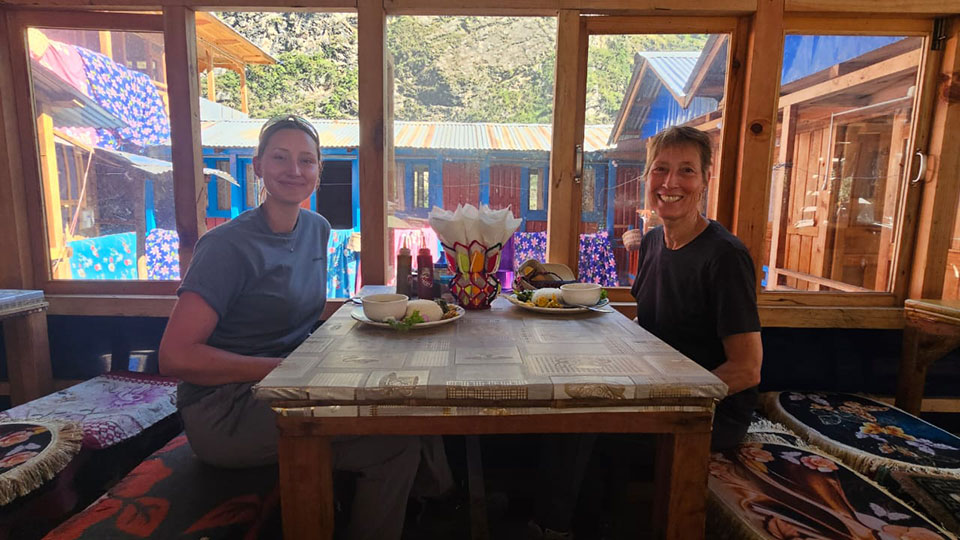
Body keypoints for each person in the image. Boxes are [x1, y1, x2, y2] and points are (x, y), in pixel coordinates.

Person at [158, 115, 428, 540]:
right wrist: (279, 368)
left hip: (286, 385)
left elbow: (297, 317)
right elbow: (175, 356)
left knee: (403, 398)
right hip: (225, 411)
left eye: (307, 161)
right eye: (280, 157)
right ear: (258, 167)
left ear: (319, 171)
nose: (294, 170)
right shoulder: (226, 246)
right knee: (394, 442)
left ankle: (443, 498)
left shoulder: (317, 229)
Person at [529, 126, 762, 539]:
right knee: (563, 401)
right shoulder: (654, 242)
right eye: (660, 170)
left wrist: (673, 397)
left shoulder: (724, 257)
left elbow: (747, 368)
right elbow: (651, 326)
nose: (671, 183)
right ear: (646, 179)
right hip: (657, 388)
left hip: (710, 412)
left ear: (705, 180)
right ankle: (569, 521)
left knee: (581, 423)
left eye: (686, 171)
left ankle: (554, 528)